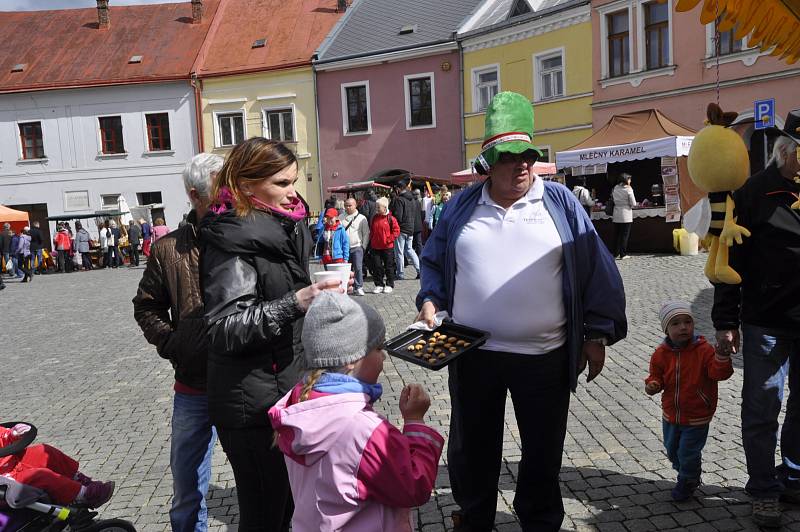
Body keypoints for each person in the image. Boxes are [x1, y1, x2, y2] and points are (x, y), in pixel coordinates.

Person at [416, 92, 627, 531]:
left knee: (543, 450)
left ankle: (541, 522)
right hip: (472, 353)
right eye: (509, 156)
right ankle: (474, 518)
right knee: (474, 447)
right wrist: (430, 300)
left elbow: (597, 269)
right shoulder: (461, 206)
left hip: (544, 356)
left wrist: (597, 333)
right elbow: (434, 260)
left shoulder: (561, 204)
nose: (522, 165)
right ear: (488, 162)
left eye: (528, 155)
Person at [198, 137, 345, 532]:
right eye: (281, 183)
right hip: (250, 406)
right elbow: (224, 327)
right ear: (246, 185)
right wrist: (296, 302)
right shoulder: (230, 238)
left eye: (294, 181)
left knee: (290, 511)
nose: (292, 193)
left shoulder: (284, 226)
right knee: (265, 515)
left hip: (283, 390)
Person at [269, 291, 443, 531]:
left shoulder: (299, 404)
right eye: (378, 348)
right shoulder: (365, 430)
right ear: (352, 359)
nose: (384, 356)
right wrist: (415, 423)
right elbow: (413, 487)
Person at [712, 110, 800, 528]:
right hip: (767, 321)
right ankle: (764, 489)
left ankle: (795, 478)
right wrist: (725, 320)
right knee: (763, 407)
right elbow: (728, 262)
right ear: (787, 152)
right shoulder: (752, 195)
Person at [133, 153, 224, 532]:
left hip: (245, 381)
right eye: (222, 187)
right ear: (195, 194)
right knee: (187, 484)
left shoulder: (248, 237)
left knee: (262, 477)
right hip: (194, 384)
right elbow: (146, 307)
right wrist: (175, 345)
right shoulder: (168, 249)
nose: (230, 194)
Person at [645, 301, 733, 501]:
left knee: (688, 451)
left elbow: (719, 373)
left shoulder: (704, 350)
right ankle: (687, 471)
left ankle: (688, 479)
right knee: (672, 451)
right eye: (676, 324)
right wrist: (653, 384)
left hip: (697, 414)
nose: (683, 327)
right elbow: (655, 374)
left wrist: (722, 356)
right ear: (666, 329)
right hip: (671, 413)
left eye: (687, 322)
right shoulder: (661, 353)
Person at [0, 423, 114, 508]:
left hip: (10, 463)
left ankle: (80, 480)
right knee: (41, 476)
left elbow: (3, 436)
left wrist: (13, 433)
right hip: (5, 481)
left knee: (44, 452)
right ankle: (83, 495)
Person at [389, 178, 421, 280]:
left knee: (399, 252)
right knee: (409, 249)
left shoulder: (399, 199)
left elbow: (398, 216)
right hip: (410, 228)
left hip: (401, 229)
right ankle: (419, 269)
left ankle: (400, 273)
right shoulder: (412, 199)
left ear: (398, 188)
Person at [369, 197, 400, 294]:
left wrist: (388, 239)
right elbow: (372, 231)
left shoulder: (391, 218)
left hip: (387, 247)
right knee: (377, 266)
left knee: (389, 266)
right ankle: (379, 284)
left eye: (379, 207)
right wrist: (371, 240)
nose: (377, 209)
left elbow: (396, 231)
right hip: (375, 246)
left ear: (385, 207)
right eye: (376, 207)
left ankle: (389, 284)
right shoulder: (375, 217)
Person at [340, 198, 369, 296]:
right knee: (345, 269)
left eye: (350, 205)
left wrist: (363, 246)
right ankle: (347, 287)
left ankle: (359, 287)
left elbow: (366, 233)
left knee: (358, 268)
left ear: (355, 205)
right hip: (344, 248)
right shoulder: (340, 218)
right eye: (346, 205)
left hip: (357, 246)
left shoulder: (362, 218)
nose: (347, 207)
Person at [611, 173, 636, 260]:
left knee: (617, 235)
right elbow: (633, 203)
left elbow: (613, 200)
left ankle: (615, 253)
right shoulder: (628, 189)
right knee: (624, 235)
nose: (630, 181)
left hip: (616, 213)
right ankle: (623, 254)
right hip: (626, 214)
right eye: (629, 179)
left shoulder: (615, 188)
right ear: (626, 180)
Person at [412, 187, 425, 258]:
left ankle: (416, 255)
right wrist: (421, 221)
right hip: (419, 224)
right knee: (418, 242)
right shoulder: (420, 201)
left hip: (413, 224)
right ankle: (420, 256)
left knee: (413, 242)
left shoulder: (412, 202)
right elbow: (423, 213)